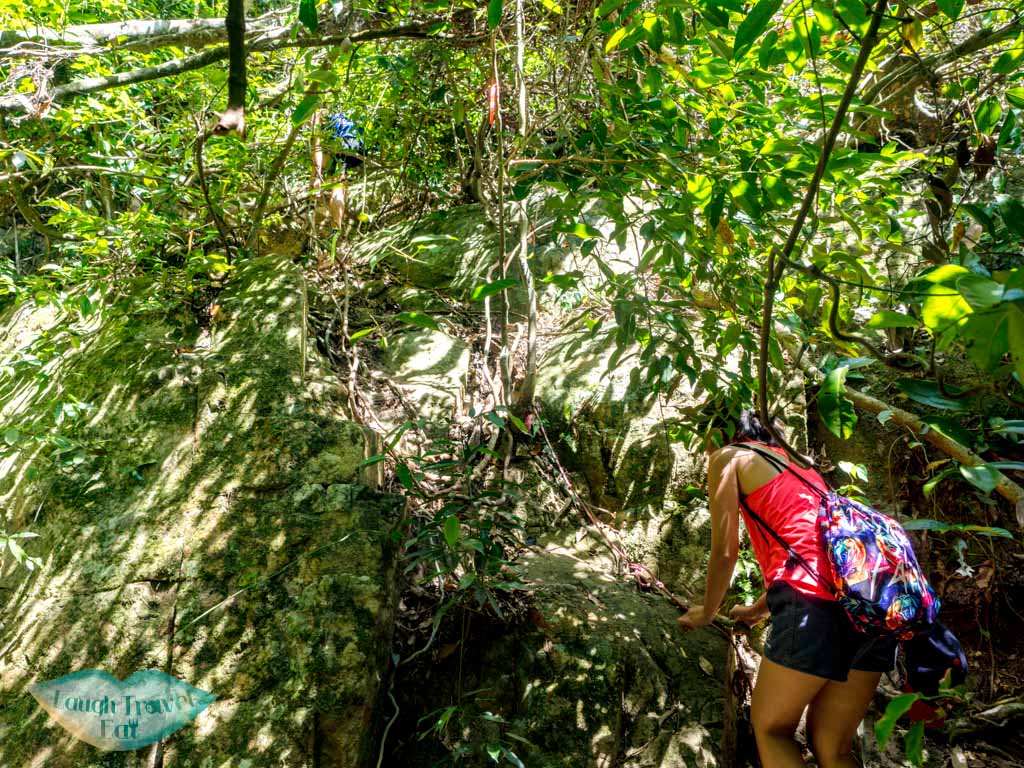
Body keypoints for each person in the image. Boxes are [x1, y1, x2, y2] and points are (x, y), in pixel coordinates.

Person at [677, 410, 896, 768]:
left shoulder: (729, 457)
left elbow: (726, 552)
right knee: (833, 746)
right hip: (871, 607)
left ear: (719, 433)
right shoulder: (802, 467)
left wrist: (706, 611)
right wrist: (756, 610)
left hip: (815, 610)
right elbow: (818, 559)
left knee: (772, 729)